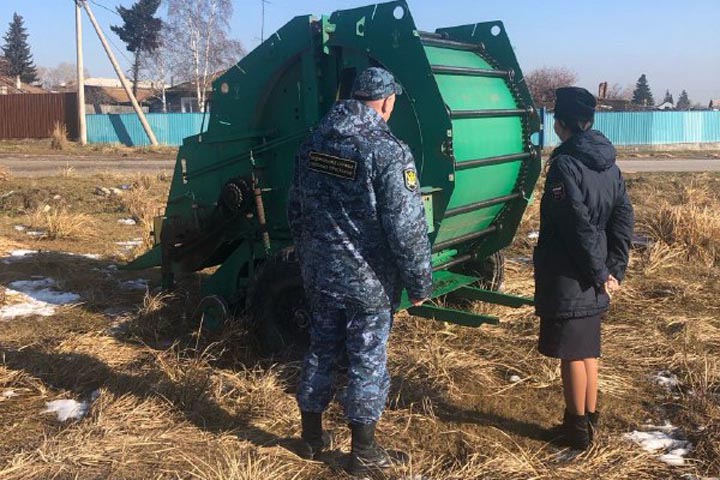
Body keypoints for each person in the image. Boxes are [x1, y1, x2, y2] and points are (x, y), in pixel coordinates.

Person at [287, 67, 433, 475]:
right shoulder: (387, 151)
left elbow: (294, 209)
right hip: (367, 282)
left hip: (320, 273)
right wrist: (420, 281)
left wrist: (309, 256)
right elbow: (406, 227)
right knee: (367, 359)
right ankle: (363, 453)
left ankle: (311, 438)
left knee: (320, 348)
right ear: (386, 101)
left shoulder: (313, 142)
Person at [533, 87, 634, 450]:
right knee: (587, 349)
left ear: (561, 124)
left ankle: (575, 430)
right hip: (597, 272)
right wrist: (614, 268)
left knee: (572, 353)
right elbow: (623, 218)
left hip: (571, 272)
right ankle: (588, 418)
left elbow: (576, 226)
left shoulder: (565, 164)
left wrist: (598, 271)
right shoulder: (609, 163)